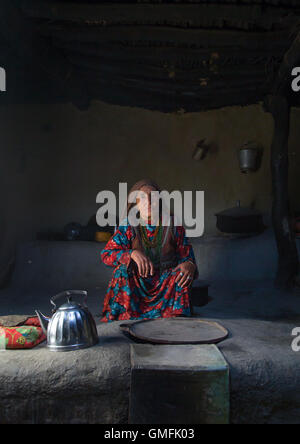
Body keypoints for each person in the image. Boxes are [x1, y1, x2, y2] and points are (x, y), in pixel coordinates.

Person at [100, 179, 198, 322]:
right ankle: (126, 315)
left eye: (154, 197)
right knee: (122, 271)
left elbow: (187, 256)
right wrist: (131, 254)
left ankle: (176, 316)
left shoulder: (173, 224)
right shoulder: (129, 225)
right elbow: (106, 255)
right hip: (138, 283)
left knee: (181, 274)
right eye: (143, 198)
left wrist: (189, 265)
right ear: (136, 203)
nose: (149, 202)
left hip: (166, 283)